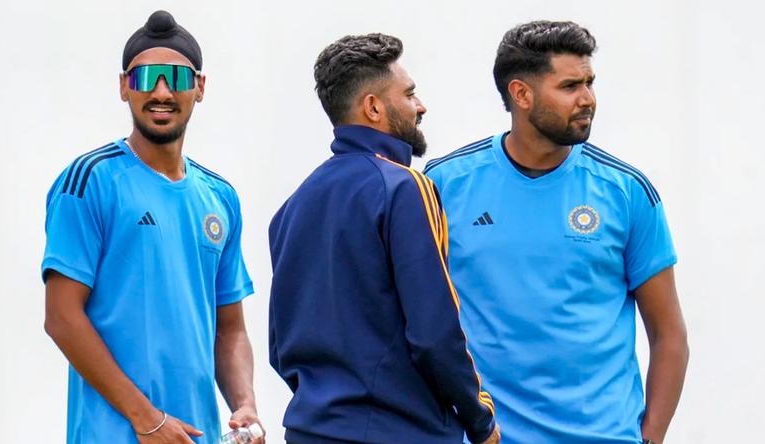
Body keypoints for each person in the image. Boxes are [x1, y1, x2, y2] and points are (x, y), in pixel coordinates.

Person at [423, 20, 689, 444]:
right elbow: (417, 320)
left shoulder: (626, 191)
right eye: (570, 86)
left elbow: (669, 335)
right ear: (521, 94)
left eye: (589, 83)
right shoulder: (444, 184)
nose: (588, 99)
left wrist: (651, 438)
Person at [42, 10, 264, 444]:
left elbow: (230, 328)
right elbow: (62, 318)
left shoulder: (219, 197)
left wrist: (245, 403)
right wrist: (147, 419)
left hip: (197, 434)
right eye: (145, 78)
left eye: (176, 78)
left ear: (200, 87)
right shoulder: (89, 181)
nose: (161, 92)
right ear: (124, 86)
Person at [268, 33, 500, 444]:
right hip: (400, 432)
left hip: (308, 431)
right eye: (409, 94)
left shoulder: (291, 207)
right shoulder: (405, 188)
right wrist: (479, 419)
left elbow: (279, 347)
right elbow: (434, 335)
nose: (420, 106)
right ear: (373, 107)